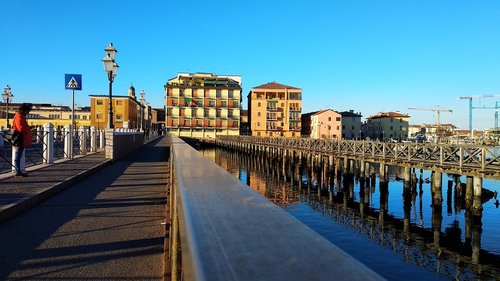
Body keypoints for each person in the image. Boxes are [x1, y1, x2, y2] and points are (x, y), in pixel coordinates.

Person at [12, 103, 33, 177]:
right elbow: (21, 128)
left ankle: (18, 171)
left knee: (18, 155)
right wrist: (28, 127)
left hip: (20, 138)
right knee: (17, 156)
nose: (28, 113)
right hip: (19, 138)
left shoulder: (19, 116)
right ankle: (17, 172)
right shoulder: (19, 117)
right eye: (27, 111)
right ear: (24, 110)